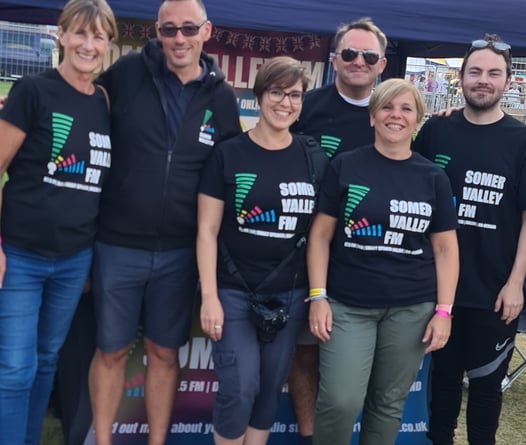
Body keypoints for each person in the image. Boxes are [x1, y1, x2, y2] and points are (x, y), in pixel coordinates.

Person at [87, 0, 242, 444]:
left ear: (206, 31)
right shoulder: (126, 74)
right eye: (169, 29)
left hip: (180, 250)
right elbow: (81, 105)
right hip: (117, 244)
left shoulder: (222, 96)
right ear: (157, 32)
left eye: (188, 29)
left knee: (163, 353)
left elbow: (231, 169)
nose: (179, 38)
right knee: (112, 351)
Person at [413, 35, 526, 445]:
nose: (483, 80)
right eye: (475, 72)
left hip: (494, 291)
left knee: (487, 390)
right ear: (461, 78)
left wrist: (516, 284)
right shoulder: (436, 132)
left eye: (493, 73)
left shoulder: (523, 141)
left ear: (508, 81)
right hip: (439, 290)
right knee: (441, 390)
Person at [308, 78, 460, 445]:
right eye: (387, 108)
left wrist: (444, 312)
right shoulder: (345, 166)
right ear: (373, 116)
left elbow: (445, 249)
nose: (396, 116)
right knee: (340, 401)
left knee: (388, 403)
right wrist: (317, 296)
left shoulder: (433, 177)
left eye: (406, 109)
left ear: (418, 119)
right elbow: (320, 236)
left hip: (411, 307)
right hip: (347, 305)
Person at [0, 1, 117, 444]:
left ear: (108, 44)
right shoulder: (33, 91)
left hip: (73, 260)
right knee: (15, 368)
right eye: (81, 34)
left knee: (47, 360)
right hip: (20, 256)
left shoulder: (104, 101)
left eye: (99, 36)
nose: (89, 45)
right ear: (62, 36)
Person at [197, 56, 326, 445]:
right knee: (240, 387)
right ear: (259, 95)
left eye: (295, 95)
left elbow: (321, 233)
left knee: (270, 388)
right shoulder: (228, 154)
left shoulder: (312, 158)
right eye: (276, 92)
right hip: (234, 292)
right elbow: (207, 229)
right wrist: (209, 297)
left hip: (290, 293)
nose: (285, 103)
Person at [288, 17, 387, 445]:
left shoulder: (392, 110)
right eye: (349, 54)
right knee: (306, 355)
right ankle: (311, 437)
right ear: (334, 60)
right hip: (307, 256)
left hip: (371, 263)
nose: (358, 62)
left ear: (382, 63)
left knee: (360, 374)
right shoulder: (306, 107)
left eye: (368, 55)